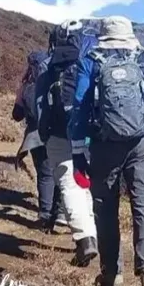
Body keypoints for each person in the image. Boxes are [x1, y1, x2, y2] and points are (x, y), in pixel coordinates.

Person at [68, 16, 144, 286]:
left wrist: (78, 153)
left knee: (105, 209)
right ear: (130, 35)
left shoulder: (90, 61)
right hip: (143, 142)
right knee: (143, 203)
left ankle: (112, 275)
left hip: (104, 145)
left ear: (103, 36)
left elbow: (79, 110)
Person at [35, 21, 99, 266]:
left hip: (58, 134)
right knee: (84, 184)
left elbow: (40, 105)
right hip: (87, 134)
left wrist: (44, 134)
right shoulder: (89, 64)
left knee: (69, 185)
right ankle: (92, 234)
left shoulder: (49, 67)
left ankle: (85, 240)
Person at [12, 49, 61, 232]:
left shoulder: (27, 86)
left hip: (35, 136)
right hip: (58, 134)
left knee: (45, 174)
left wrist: (20, 94)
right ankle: (60, 213)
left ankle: (45, 215)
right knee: (60, 173)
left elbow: (16, 115)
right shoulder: (55, 82)